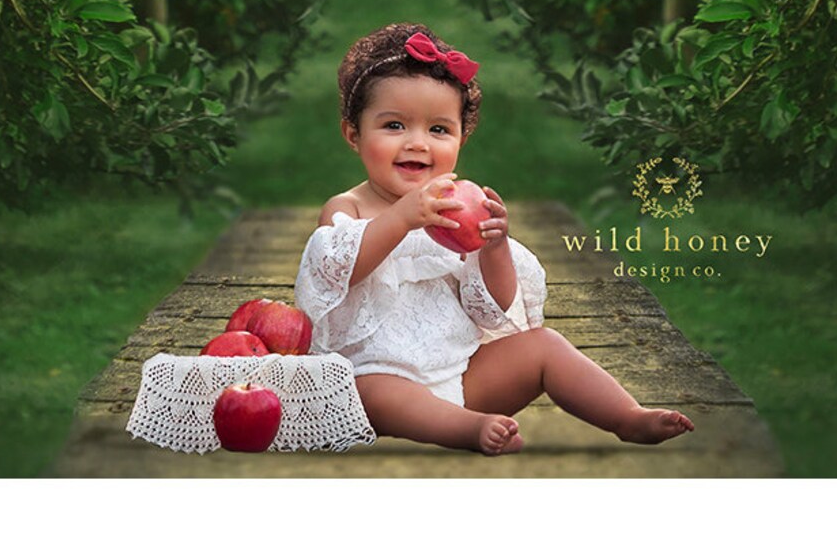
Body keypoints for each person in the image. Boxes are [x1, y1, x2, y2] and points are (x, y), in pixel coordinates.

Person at [294, 22, 694, 455]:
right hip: (377, 377)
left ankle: (625, 416)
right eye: (394, 125)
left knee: (544, 346)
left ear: (462, 139)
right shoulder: (347, 208)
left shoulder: (460, 205)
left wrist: (494, 247)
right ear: (354, 134)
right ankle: (467, 429)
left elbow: (494, 309)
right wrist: (402, 218)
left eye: (438, 130)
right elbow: (339, 270)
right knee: (370, 392)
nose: (417, 143)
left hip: (464, 374)